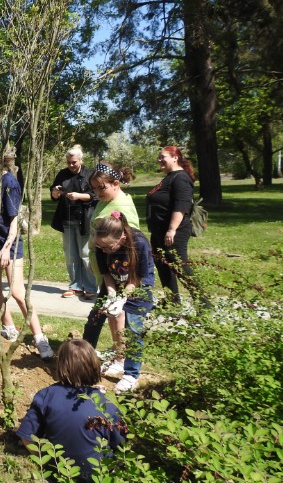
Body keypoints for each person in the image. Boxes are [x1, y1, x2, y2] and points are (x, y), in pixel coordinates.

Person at [0, 146, 54, 360]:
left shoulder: (9, 183)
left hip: (9, 244)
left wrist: (6, 246)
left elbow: (14, 221)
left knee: (19, 292)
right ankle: (9, 326)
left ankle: (40, 338)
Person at [17, 339, 125, 482]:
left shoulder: (46, 396)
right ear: (94, 366)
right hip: (97, 475)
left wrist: (43, 461)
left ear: (61, 365)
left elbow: (26, 438)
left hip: (58, 472)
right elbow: (123, 447)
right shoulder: (106, 406)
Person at [81, 162, 141, 359]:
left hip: (119, 273)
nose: (97, 192)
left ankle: (88, 355)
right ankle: (118, 352)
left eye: (101, 188)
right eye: (94, 188)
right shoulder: (105, 201)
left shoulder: (121, 206)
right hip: (106, 267)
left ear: (116, 183)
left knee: (106, 314)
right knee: (109, 313)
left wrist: (118, 279)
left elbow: (130, 243)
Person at [93, 211, 155, 394]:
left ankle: (131, 374)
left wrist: (123, 297)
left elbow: (137, 278)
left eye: (109, 248)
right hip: (116, 281)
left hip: (139, 286)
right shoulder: (101, 244)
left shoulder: (139, 244)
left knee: (134, 328)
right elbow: (105, 272)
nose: (104, 251)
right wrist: (112, 294)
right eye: (101, 247)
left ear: (121, 238)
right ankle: (119, 359)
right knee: (113, 317)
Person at [146, 146, 200, 305]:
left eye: (163, 157)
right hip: (159, 231)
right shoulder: (170, 177)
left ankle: (204, 304)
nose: (159, 160)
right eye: (159, 157)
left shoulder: (181, 178)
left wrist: (171, 230)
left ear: (175, 157)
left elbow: (181, 206)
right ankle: (172, 302)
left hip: (173, 232)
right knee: (162, 265)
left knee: (181, 267)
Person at [49, 145, 98, 299]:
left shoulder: (90, 174)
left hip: (85, 219)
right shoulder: (62, 174)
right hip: (67, 219)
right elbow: (53, 194)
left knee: (85, 254)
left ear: (81, 160)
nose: (71, 165)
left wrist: (79, 196)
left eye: (74, 162)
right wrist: (55, 192)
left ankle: (90, 287)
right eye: (69, 162)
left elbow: (96, 195)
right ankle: (75, 285)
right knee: (70, 255)